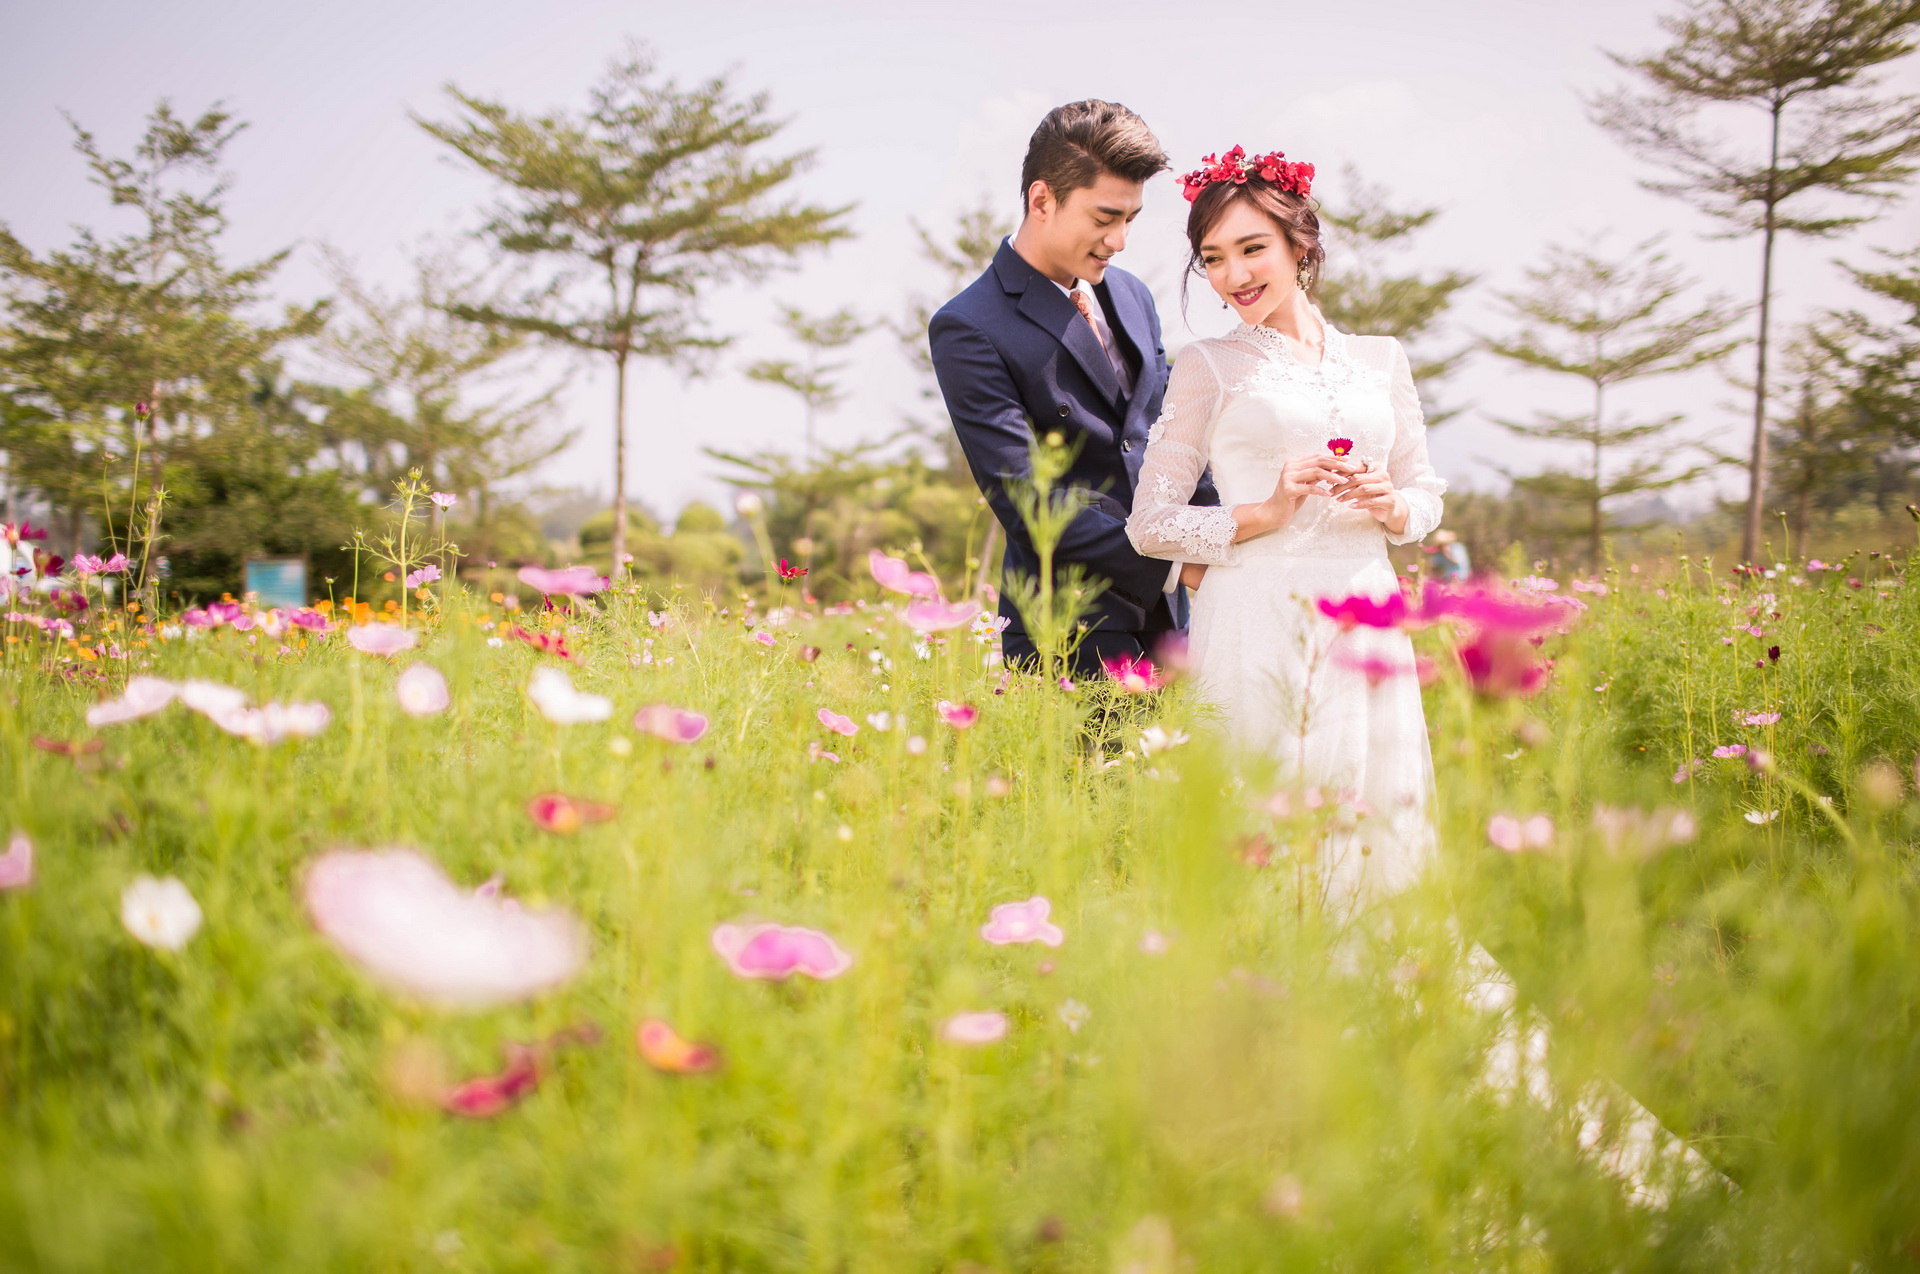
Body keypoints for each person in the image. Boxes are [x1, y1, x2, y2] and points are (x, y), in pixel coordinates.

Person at [1124, 146, 1448, 908]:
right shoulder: (1207, 365)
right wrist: (1262, 514)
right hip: (1256, 617)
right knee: (1268, 822)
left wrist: (1392, 506)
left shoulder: (1381, 359)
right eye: (1213, 258)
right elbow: (1149, 524)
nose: (1232, 275)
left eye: (1251, 248)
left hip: (1368, 611)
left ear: (1301, 244)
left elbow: (1425, 494)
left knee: (1374, 815)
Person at [930, 100, 1219, 678]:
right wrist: (1174, 561)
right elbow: (1026, 500)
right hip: (1069, 629)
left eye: (1131, 218)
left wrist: (1218, 533)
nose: (1120, 240)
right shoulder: (969, 325)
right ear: (1042, 200)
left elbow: (1173, 432)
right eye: (1105, 217)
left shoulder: (1131, 294)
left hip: (1177, 620)